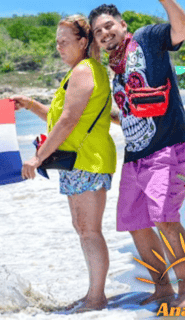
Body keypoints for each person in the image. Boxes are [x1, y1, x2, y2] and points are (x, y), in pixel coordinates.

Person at [13, 15, 117, 312]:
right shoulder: (77, 72)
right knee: (82, 227)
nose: (59, 48)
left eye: (64, 42)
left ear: (83, 43)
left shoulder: (85, 70)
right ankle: (92, 293)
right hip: (76, 162)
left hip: (89, 160)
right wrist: (31, 105)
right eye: (57, 43)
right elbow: (59, 117)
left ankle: (97, 298)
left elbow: (70, 120)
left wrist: (38, 157)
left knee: (89, 229)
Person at [89, 2, 185, 307]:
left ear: (123, 26)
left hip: (168, 147)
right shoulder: (114, 68)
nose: (105, 33)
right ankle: (163, 289)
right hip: (134, 156)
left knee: (165, 220)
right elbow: (131, 113)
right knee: (134, 221)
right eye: (98, 31)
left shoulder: (147, 38)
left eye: (108, 26)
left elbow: (181, 30)